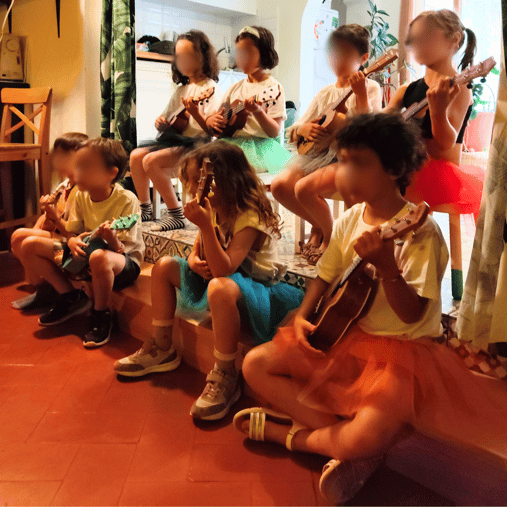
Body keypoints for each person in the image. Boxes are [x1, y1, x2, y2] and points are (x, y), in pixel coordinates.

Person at [114, 141, 304, 421]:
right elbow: (197, 248)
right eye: (190, 182)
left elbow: (226, 269)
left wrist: (204, 225)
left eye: (195, 182)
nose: (191, 189)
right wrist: (192, 260)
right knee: (164, 266)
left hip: (254, 288)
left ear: (221, 181)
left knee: (218, 286)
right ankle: (162, 346)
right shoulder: (213, 208)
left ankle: (226, 372)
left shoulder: (249, 217)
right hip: (220, 277)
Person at [271, 25, 382, 264]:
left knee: (303, 189)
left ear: (363, 58)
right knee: (279, 185)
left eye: (344, 53)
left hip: (350, 160)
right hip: (318, 156)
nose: (336, 59)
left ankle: (331, 239)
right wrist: (304, 128)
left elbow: (369, 131)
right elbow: (293, 129)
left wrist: (360, 94)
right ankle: (319, 225)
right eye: (333, 53)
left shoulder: (371, 87)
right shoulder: (325, 93)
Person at [19, 137, 145, 348]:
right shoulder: (81, 196)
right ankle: (70, 297)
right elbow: (72, 232)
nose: (76, 173)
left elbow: (121, 249)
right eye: (77, 166)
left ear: (111, 173)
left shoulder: (127, 200)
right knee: (29, 245)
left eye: (85, 167)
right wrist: (72, 240)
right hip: (87, 256)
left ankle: (101, 313)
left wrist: (111, 237)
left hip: (122, 263)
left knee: (98, 257)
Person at [387, 9, 483, 218]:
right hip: (410, 164)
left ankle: (403, 240)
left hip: (440, 172)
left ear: (454, 40)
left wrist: (438, 112)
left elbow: (444, 145)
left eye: (427, 37)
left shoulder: (459, 89)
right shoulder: (408, 90)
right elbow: (380, 124)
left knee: (407, 175)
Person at [130, 30, 222, 231]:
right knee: (136, 156)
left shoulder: (210, 88)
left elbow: (210, 130)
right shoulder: (181, 90)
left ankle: (176, 214)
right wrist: (161, 122)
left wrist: (195, 113)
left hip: (198, 146)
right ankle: (145, 209)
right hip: (176, 142)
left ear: (202, 57)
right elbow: (167, 117)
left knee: (150, 160)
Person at [11, 132, 88, 310]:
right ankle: (44, 289)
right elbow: (46, 224)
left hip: (75, 242)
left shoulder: (84, 188)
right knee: (18, 236)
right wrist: (46, 211)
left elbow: (73, 228)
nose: (56, 161)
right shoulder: (63, 186)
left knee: (28, 242)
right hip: (60, 236)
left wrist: (52, 215)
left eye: (62, 156)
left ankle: (64, 295)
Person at [202, 26, 291, 175]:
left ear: (264, 54)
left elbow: (275, 131)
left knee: (233, 170)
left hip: (259, 148)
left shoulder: (273, 88)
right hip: (229, 143)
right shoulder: (234, 88)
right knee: (199, 161)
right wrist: (211, 120)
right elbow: (220, 116)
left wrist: (258, 111)